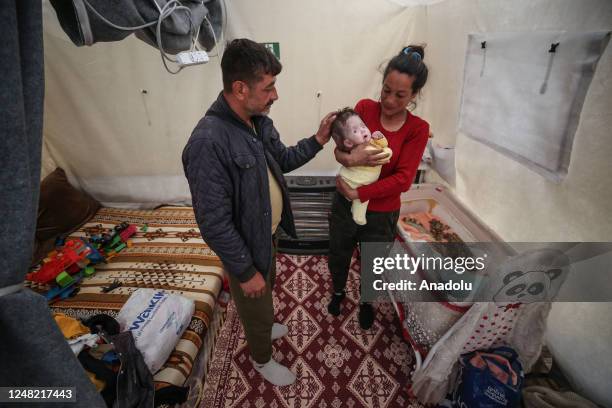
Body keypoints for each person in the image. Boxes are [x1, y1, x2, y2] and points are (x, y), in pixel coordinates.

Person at [182, 38, 336, 386]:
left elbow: (283, 159)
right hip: (245, 247)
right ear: (239, 88)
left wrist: (319, 138)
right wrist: (244, 269)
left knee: (267, 293)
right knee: (254, 298)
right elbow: (213, 222)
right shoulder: (209, 142)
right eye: (268, 88)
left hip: (266, 234)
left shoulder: (257, 121)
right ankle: (262, 358)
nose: (275, 96)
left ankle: (264, 324)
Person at [327, 45, 430, 330]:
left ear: (414, 95)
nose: (389, 100)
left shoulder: (417, 129)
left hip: (382, 212)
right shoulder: (363, 108)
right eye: (386, 90)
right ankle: (338, 291)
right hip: (345, 206)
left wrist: (358, 193)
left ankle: (366, 301)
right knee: (339, 252)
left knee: (372, 262)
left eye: (400, 95)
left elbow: (403, 179)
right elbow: (339, 149)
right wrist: (350, 157)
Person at [330, 107, 392, 225]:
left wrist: (380, 138)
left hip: (380, 209)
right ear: (348, 143)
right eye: (355, 131)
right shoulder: (365, 106)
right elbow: (338, 150)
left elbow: (382, 144)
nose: (363, 131)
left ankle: (357, 214)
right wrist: (350, 159)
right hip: (351, 183)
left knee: (360, 202)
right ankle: (358, 216)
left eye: (363, 126)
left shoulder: (371, 142)